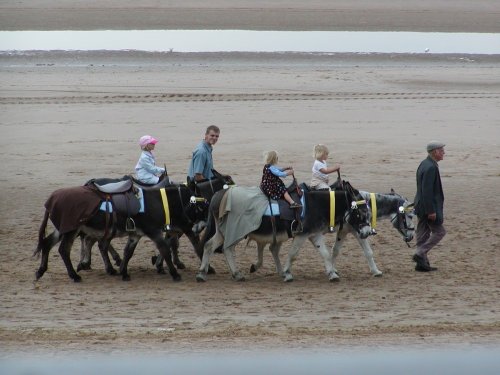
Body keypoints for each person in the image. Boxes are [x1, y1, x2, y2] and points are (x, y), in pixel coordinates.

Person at [412, 140, 446, 272]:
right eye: (442, 150)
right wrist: (431, 211)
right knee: (439, 232)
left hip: (420, 205)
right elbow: (427, 191)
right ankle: (420, 254)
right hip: (427, 207)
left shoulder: (424, 163)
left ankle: (421, 264)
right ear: (435, 152)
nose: (444, 153)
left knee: (422, 234)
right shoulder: (431, 167)